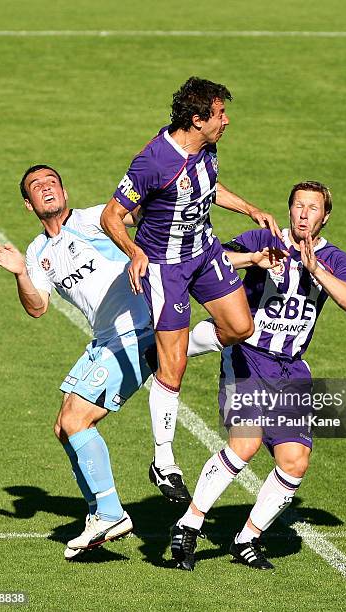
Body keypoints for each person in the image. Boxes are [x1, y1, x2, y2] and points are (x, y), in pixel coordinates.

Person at [101, 76, 282, 503]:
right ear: (197, 119)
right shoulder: (152, 161)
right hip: (166, 268)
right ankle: (163, 460)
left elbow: (209, 186)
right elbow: (112, 215)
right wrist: (133, 251)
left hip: (204, 252)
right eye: (220, 115)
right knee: (175, 371)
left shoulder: (206, 147)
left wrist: (251, 208)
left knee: (240, 327)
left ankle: (163, 350)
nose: (227, 121)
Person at [170, 180, 346, 571]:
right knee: (244, 443)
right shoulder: (264, 237)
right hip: (248, 355)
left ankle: (247, 538)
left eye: (312, 208)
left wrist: (315, 270)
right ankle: (189, 525)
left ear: (325, 216)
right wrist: (254, 259)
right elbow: (211, 260)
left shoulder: (336, 260)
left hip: (291, 369)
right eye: (298, 206)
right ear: (289, 209)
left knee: (295, 461)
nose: (303, 213)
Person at [0, 165, 156, 560]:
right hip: (105, 340)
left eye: (52, 183)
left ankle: (111, 513)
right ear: (29, 205)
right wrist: (19, 274)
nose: (46, 189)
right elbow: (38, 307)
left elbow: (140, 211)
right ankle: (99, 513)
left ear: (64, 190)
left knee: (78, 420)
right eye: (36, 187)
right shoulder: (37, 252)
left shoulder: (96, 218)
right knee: (63, 427)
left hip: (138, 331)